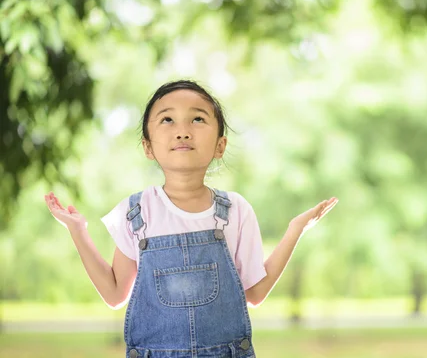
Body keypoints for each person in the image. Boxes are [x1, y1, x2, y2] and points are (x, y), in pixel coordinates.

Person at [44, 80, 338, 358]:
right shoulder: (136, 211)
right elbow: (114, 293)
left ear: (220, 146)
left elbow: (255, 292)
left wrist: (295, 231)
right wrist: (78, 231)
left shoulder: (236, 210)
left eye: (197, 119)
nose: (183, 131)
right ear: (148, 146)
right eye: (167, 120)